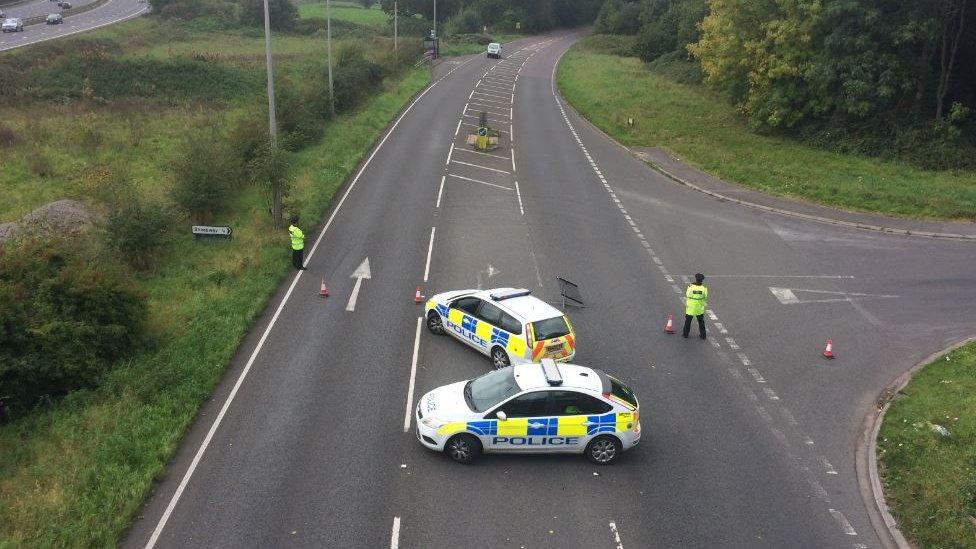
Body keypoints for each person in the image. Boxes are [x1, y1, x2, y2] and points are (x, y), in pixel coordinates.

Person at [683, 273, 708, 339]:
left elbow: (687, 295)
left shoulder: (691, 287)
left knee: (688, 321)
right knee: (701, 322)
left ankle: (685, 334)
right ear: (702, 280)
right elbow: (705, 297)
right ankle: (703, 335)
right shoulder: (704, 289)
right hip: (699, 308)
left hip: (691, 308)